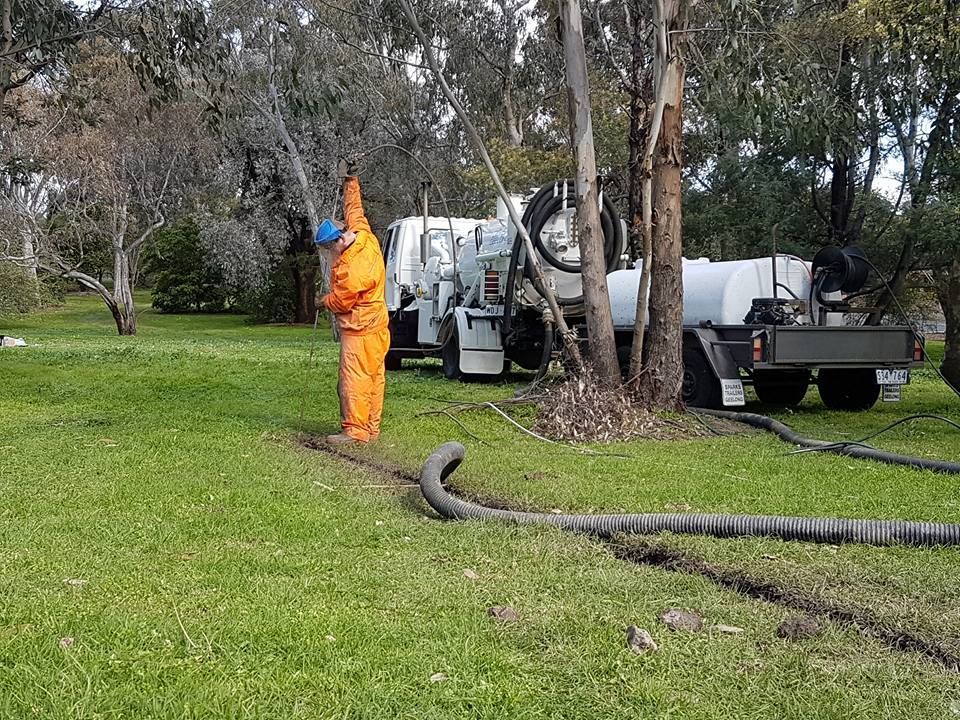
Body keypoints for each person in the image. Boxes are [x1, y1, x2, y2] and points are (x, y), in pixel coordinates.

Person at [314, 164, 389, 446]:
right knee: (374, 378)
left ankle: (355, 432)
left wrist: (323, 301)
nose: (328, 255)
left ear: (333, 244)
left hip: (359, 330)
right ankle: (370, 428)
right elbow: (355, 209)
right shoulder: (363, 234)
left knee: (355, 379)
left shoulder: (350, 268)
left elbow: (342, 300)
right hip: (378, 327)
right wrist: (351, 181)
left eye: (327, 250)